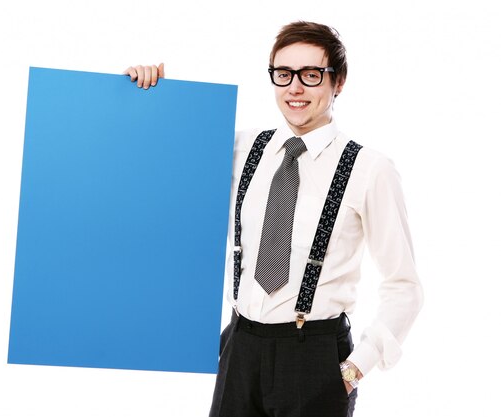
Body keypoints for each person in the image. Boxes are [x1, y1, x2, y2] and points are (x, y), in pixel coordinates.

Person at [124, 20, 423, 417]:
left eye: (311, 75)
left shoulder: (370, 170)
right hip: (239, 345)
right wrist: (150, 95)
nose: (295, 88)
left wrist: (355, 369)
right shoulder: (244, 147)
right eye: (284, 74)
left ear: (339, 81)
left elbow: (404, 286)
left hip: (314, 356)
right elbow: (162, 162)